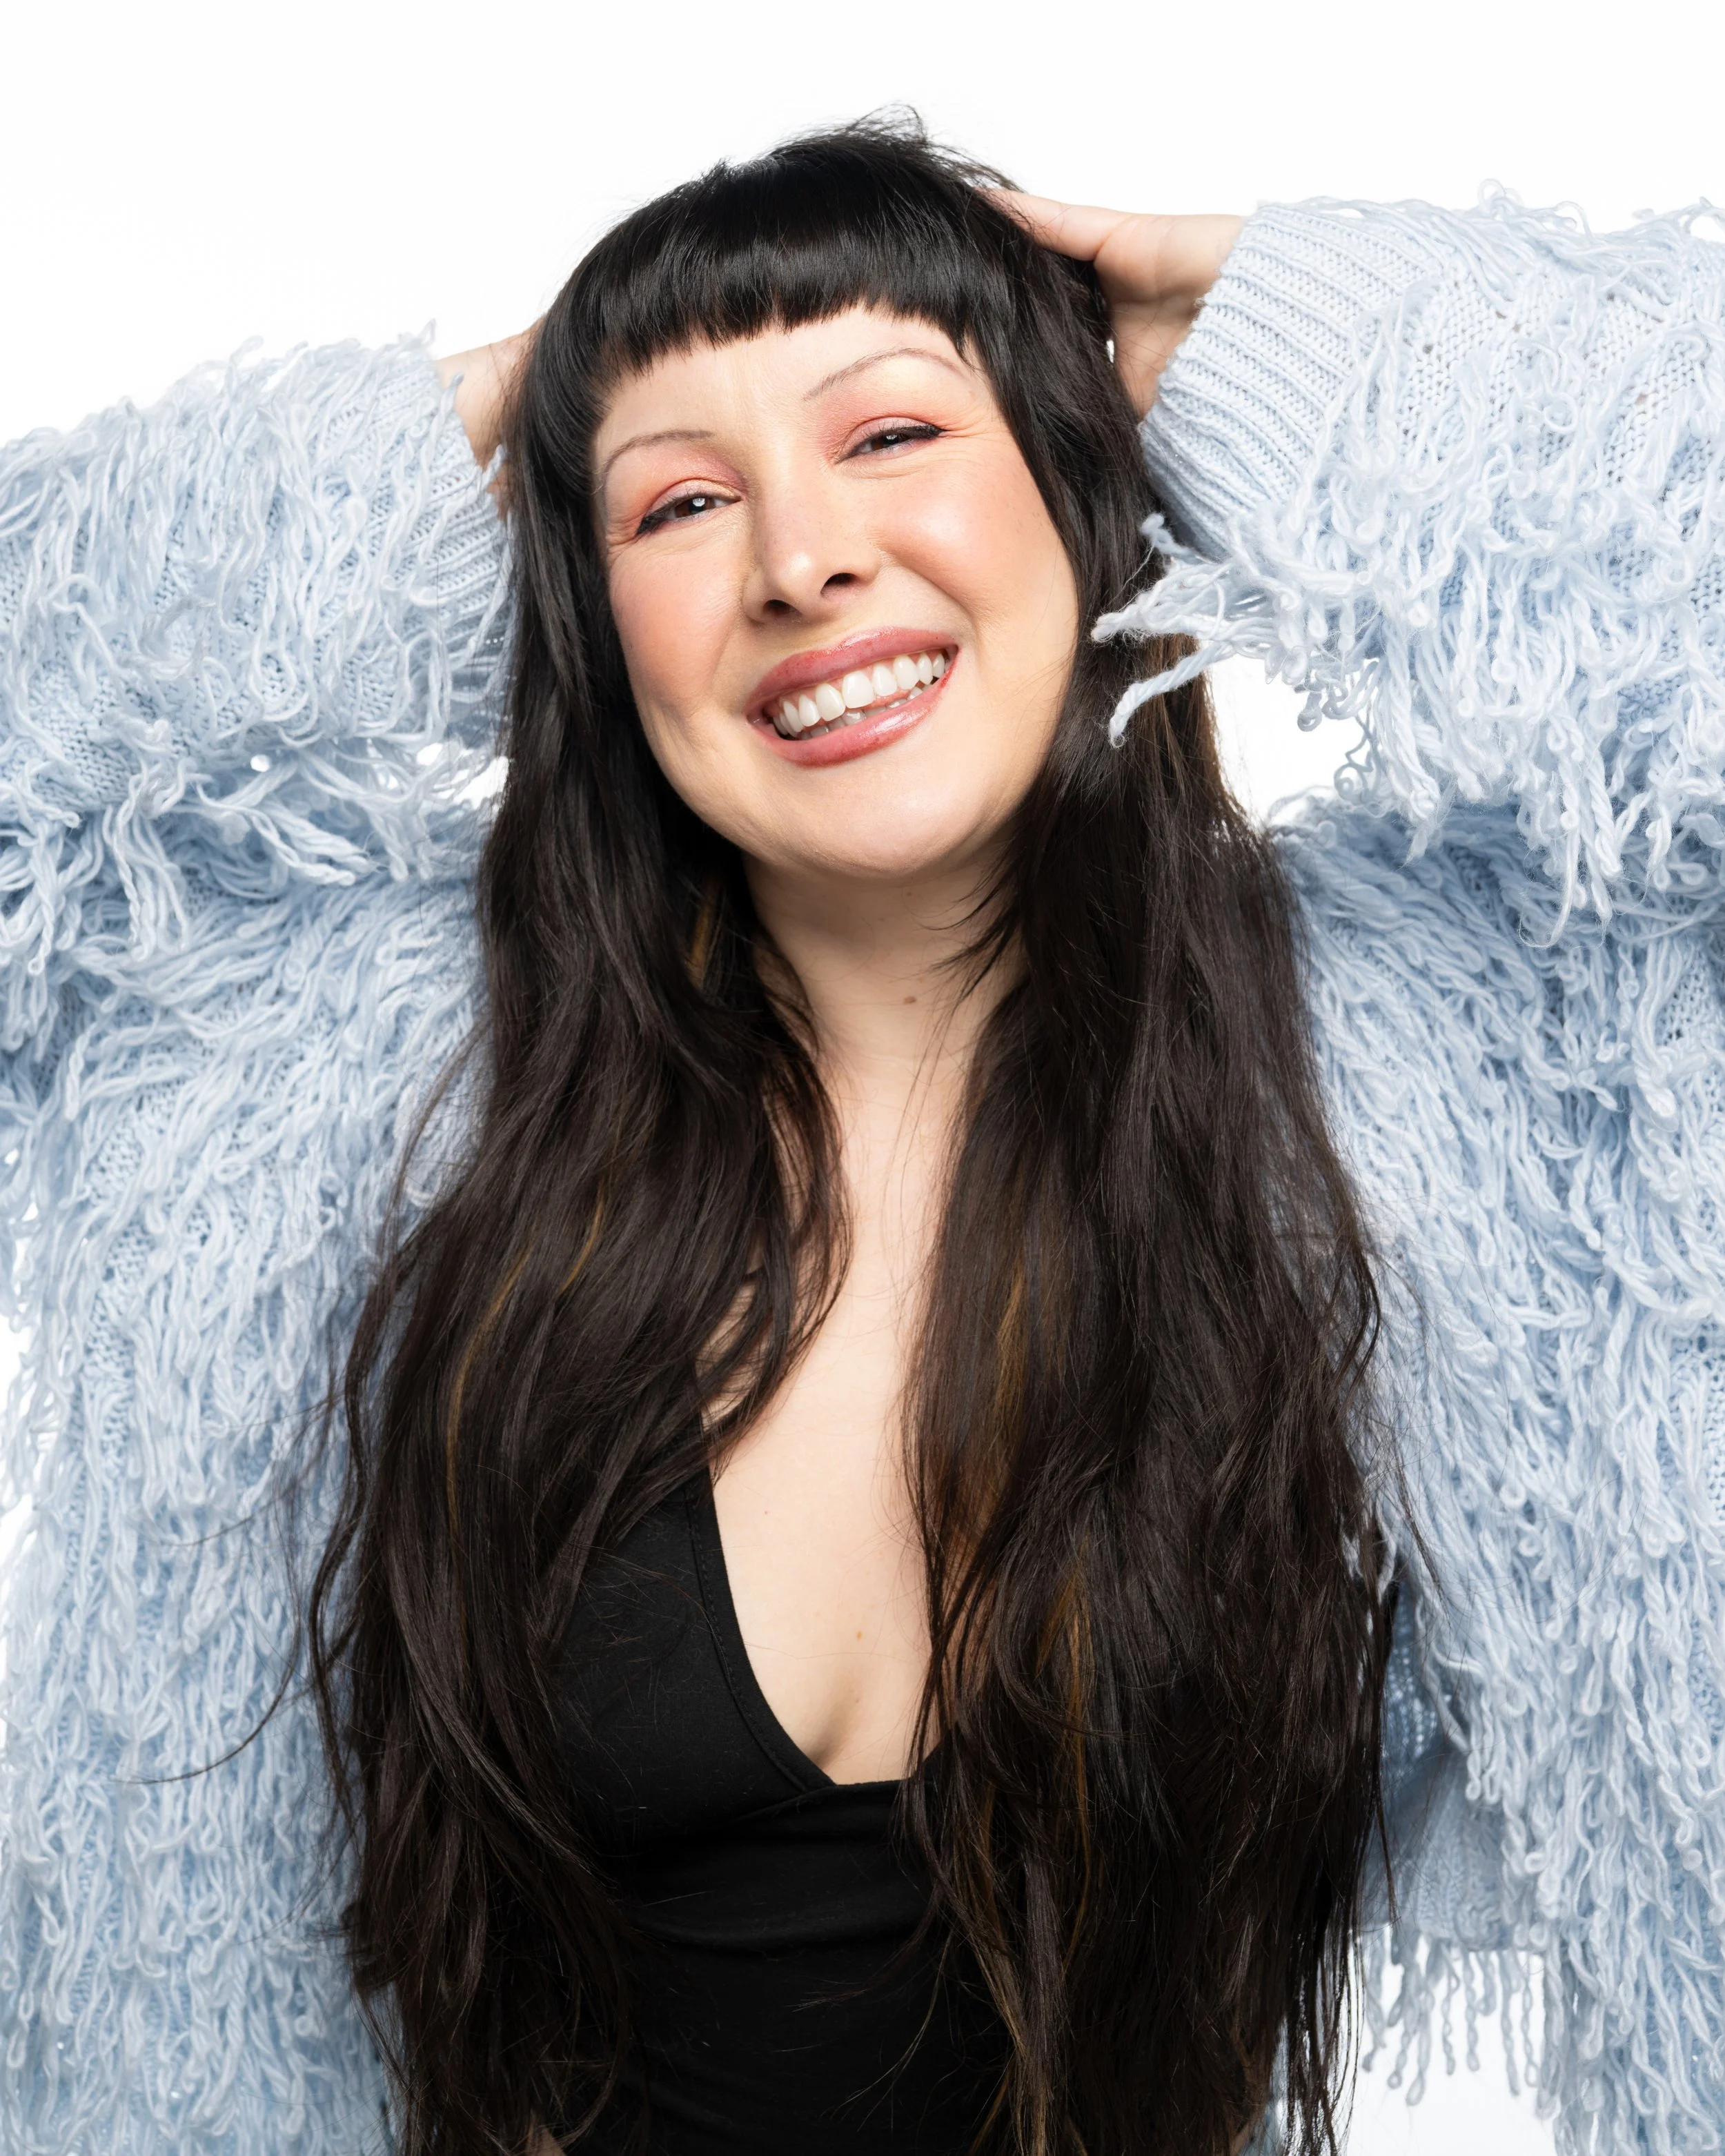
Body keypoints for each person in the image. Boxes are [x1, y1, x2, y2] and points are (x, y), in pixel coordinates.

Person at [1, 115, 1723, 2156]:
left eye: (891, 435)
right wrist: (432, 452)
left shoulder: (1440, 1046)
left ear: (1088, 480)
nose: (798, 557)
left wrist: (1282, 347)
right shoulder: (367, 1075)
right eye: (681, 502)